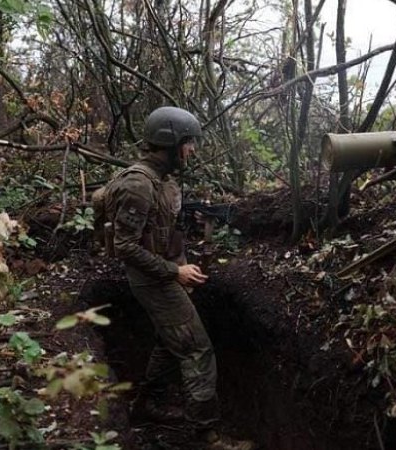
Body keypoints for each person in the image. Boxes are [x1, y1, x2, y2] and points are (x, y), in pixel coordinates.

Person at [101, 106, 253, 450]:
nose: (192, 150)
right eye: (188, 143)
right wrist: (174, 271)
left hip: (163, 275)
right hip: (151, 280)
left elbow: (163, 235)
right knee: (197, 350)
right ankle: (207, 435)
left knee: (170, 342)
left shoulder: (163, 181)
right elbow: (125, 247)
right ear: (170, 143)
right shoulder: (139, 184)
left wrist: (180, 265)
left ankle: (146, 407)